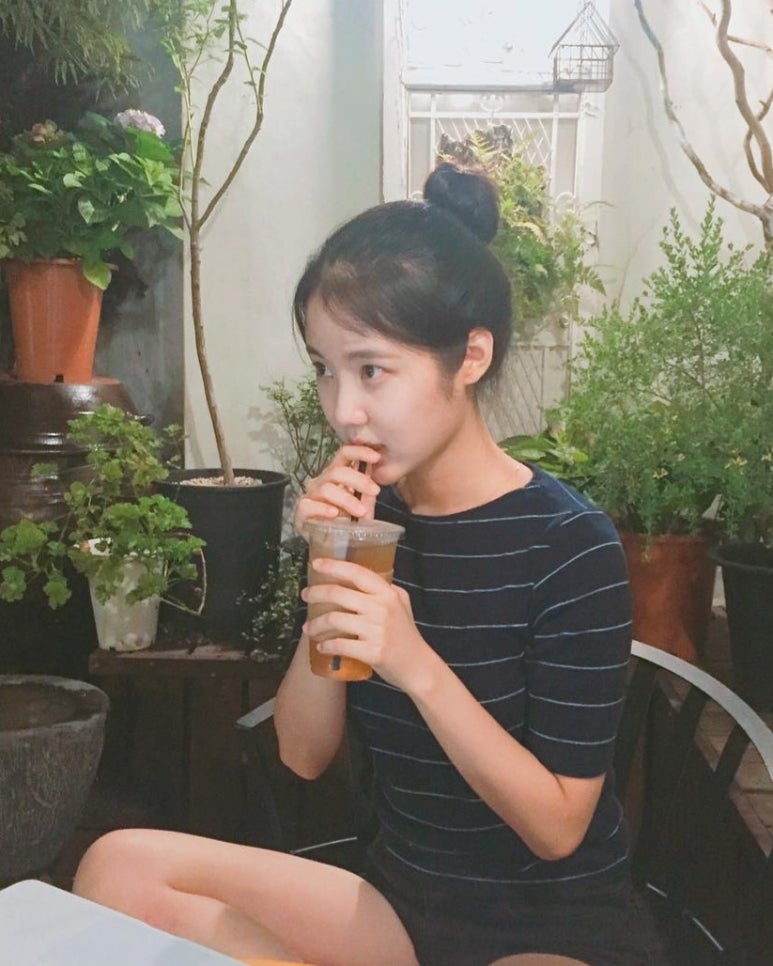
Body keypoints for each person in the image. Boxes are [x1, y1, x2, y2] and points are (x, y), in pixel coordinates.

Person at [73, 163, 657, 965]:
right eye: (324, 368)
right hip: (402, 904)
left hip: (548, 925)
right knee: (118, 868)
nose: (343, 409)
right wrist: (329, 575)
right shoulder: (369, 523)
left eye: (371, 369)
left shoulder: (568, 543)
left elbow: (557, 829)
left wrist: (413, 663)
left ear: (469, 357)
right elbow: (302, 753)